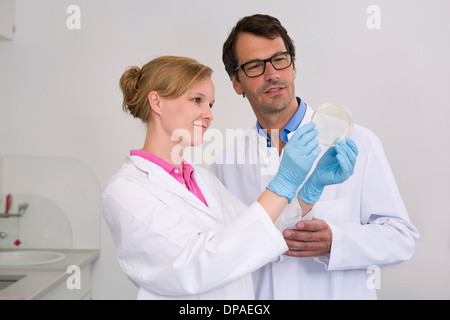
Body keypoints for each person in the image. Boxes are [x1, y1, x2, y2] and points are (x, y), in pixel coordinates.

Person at [101, 55, 357, 299]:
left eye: (210, 104)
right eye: (197, 100)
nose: (209, 114)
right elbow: (201, 263)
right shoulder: (126, 191)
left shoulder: (202, 179)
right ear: (156, 102)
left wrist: (309, 190)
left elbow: (257, 237)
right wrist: (283, 183)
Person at [211, 14, 420, 299]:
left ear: (293, 67)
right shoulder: (226, 164)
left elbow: (401, 238)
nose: (272, 74)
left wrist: (337, 241)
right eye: (254, 66)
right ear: (236, 83)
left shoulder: (358, 141)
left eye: (280, 59)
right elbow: (225, 255)